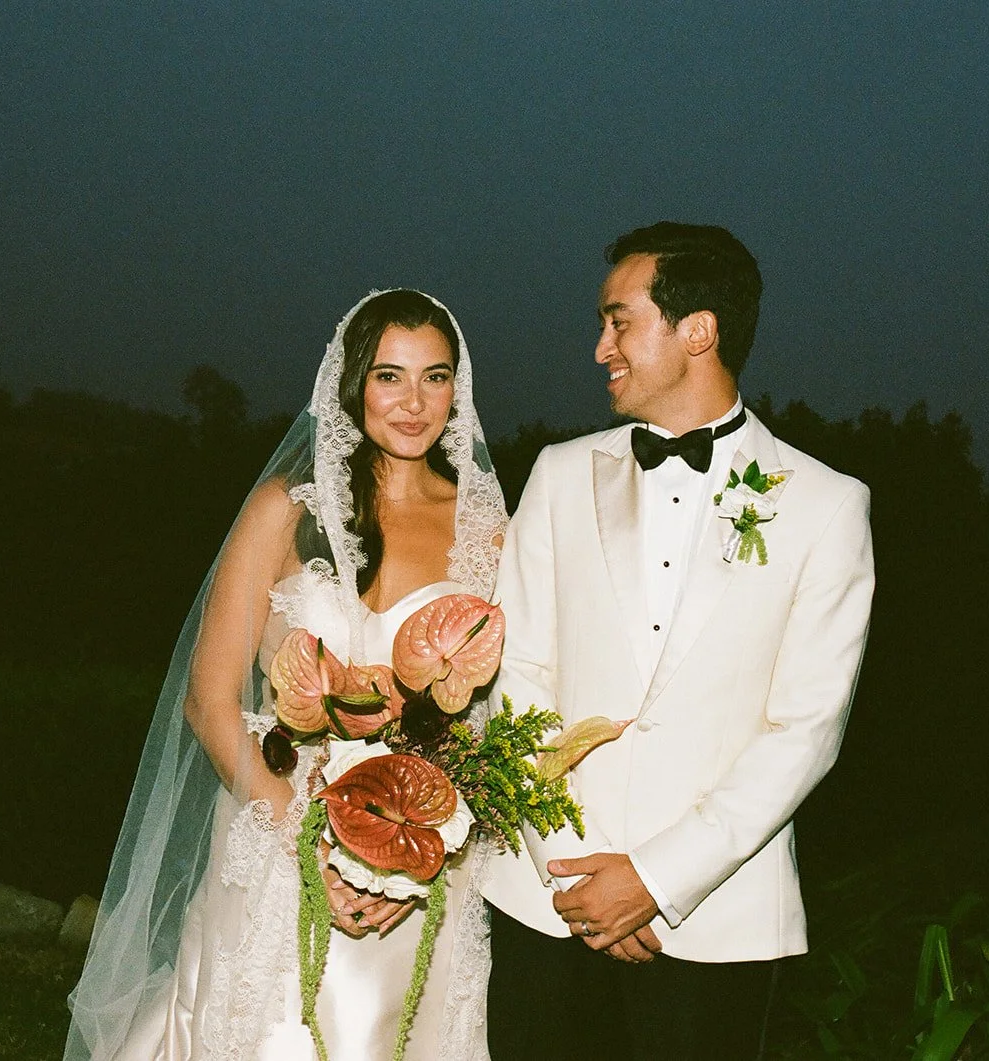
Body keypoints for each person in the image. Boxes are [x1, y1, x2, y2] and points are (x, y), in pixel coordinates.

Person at [65, 290, 507, 1061]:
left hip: (424, 862)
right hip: (277, 837)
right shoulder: (282, 509)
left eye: (435, 377)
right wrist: (315, 846)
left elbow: (490, 727)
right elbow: (210, 702)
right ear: (350, 384)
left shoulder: (490, 531)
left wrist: (411, 853)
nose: (413, 402)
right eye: (388, 376)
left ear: (457, 390)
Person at [482, 222, 875, 1059]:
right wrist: (580, 873)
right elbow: (517, 676)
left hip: (715, 923)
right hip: (545, 901)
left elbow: (805, 731)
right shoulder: (557, 474)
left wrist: (656, 879)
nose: (599, 348)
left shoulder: (827, 505)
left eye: (619, 321)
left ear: (698, 329)